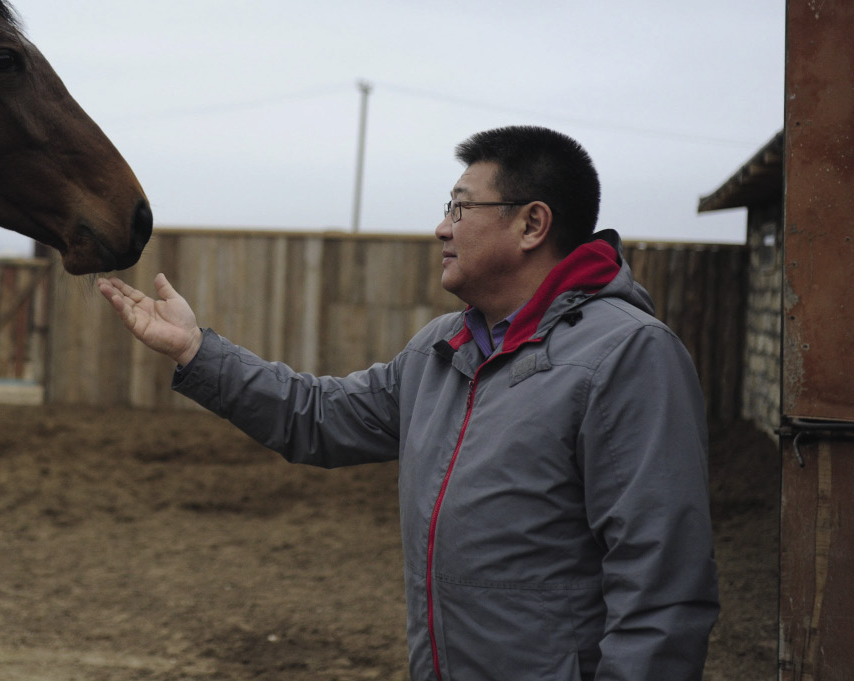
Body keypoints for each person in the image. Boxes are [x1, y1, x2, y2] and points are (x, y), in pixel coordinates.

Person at [97, 125, 719, 681]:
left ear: (532, 224)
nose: (443, 227)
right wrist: (196, 351)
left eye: (460, 206)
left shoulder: (627, 355)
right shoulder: (443, 349)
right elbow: (319, 417)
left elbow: (662, 585)